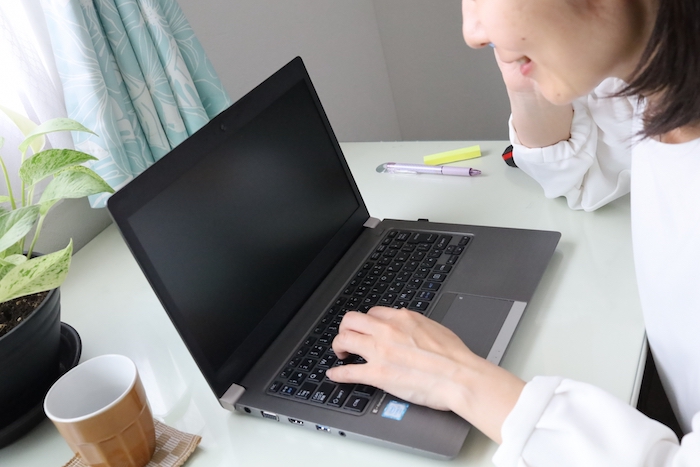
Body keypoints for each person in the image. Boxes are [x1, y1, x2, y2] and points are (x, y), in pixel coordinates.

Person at [325, 0, 700, 464]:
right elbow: (586, 179)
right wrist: (527, 79)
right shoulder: (651, 88)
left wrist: (461, 380)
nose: (472, 33)